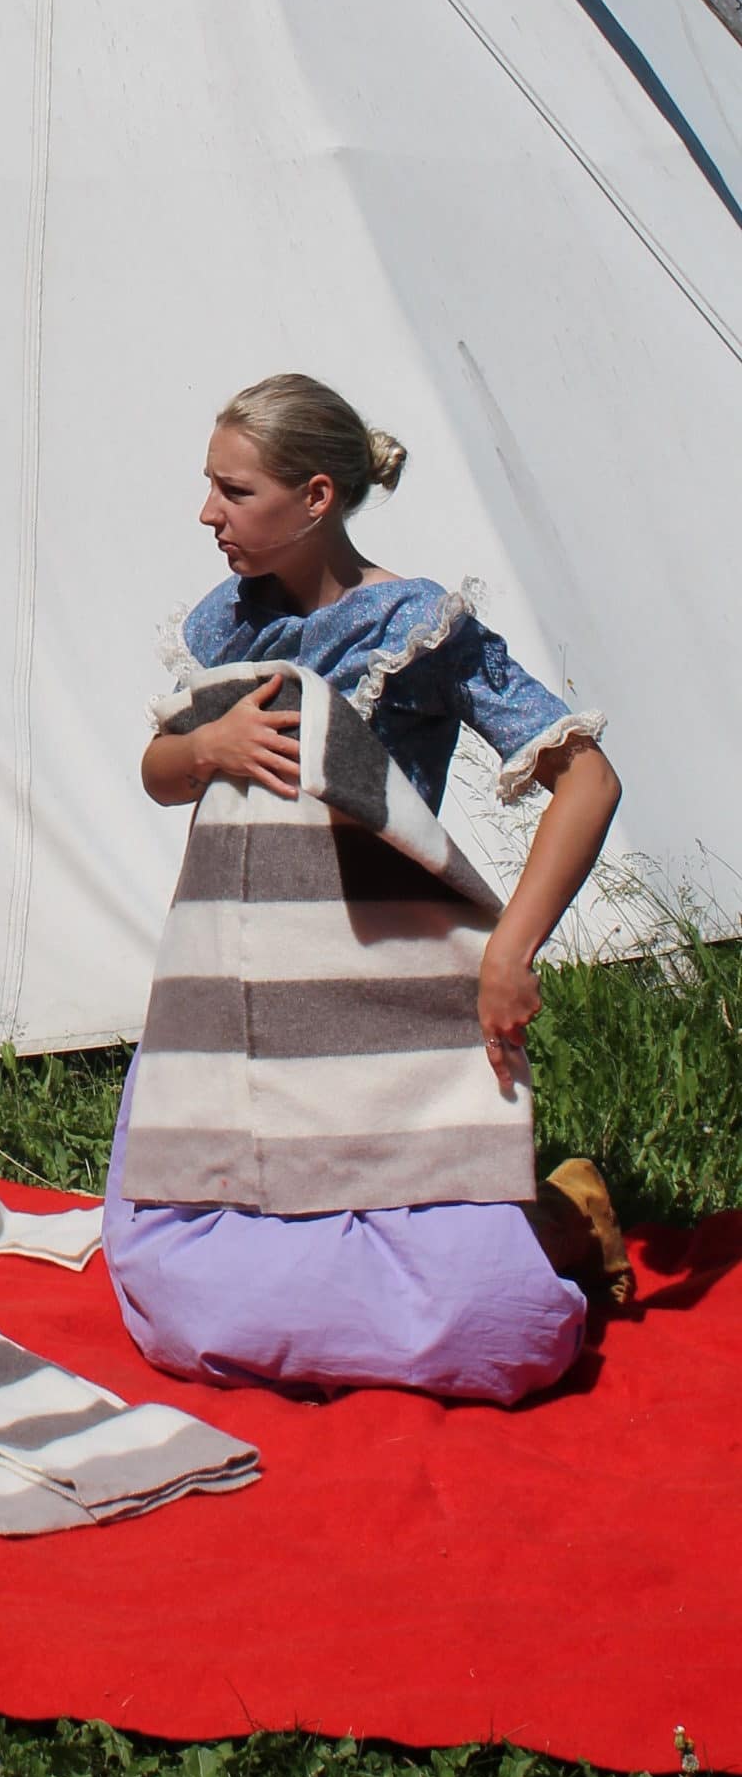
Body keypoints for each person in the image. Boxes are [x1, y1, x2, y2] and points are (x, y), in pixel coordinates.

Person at [103, 372, 628, 1405]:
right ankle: (519, 1227)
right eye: (208, 485)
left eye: (232, 491)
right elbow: (160, 776)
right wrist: (205, 744)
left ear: (314, 497)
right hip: (241, 995)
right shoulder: (223, 623)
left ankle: (553, 1221)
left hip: (377, 997)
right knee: (179, 1291)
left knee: (491, 1330)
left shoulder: (416, 625)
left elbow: (588, 780)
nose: (205, 513)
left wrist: (508, 952)